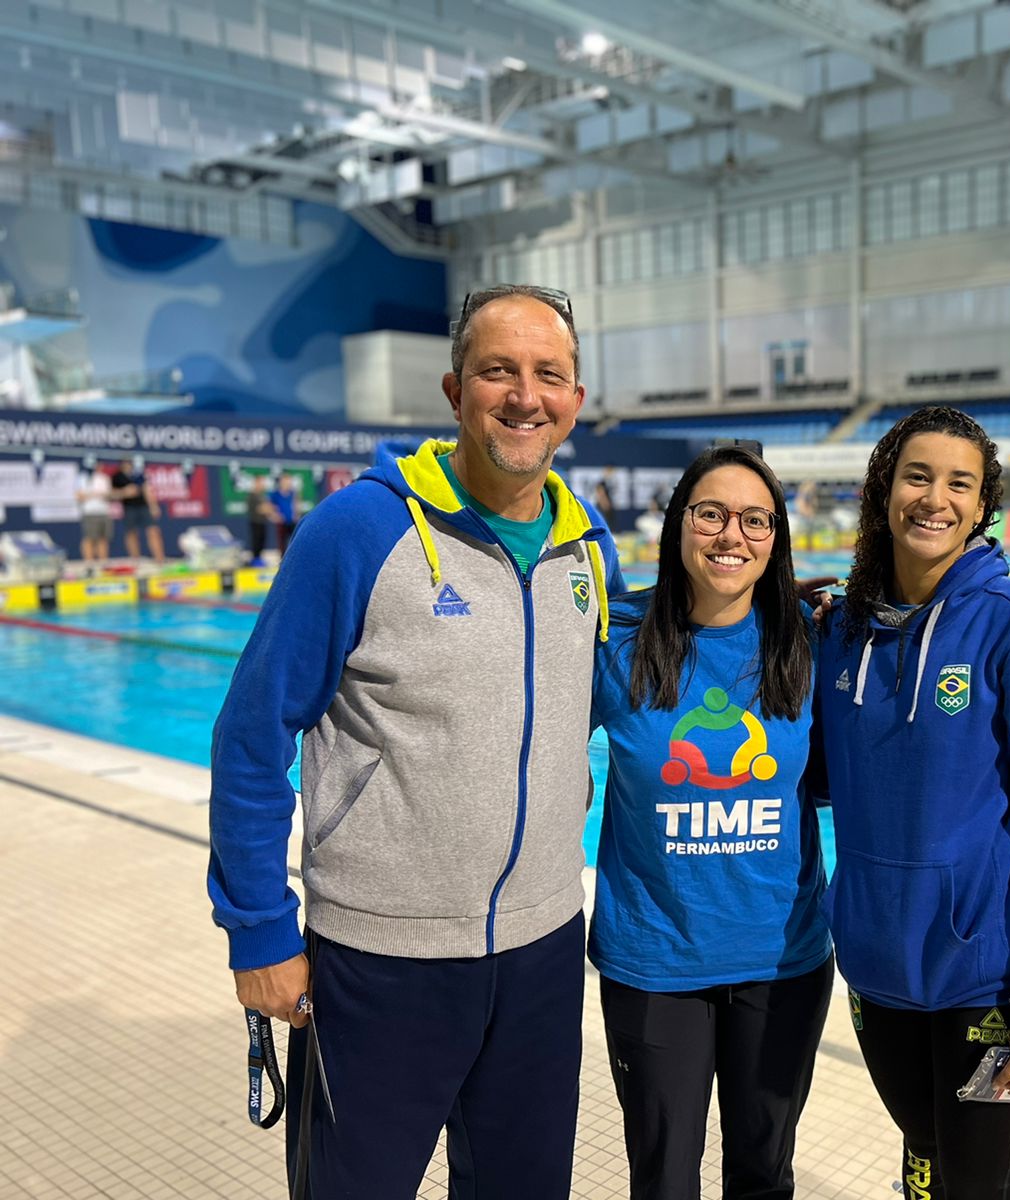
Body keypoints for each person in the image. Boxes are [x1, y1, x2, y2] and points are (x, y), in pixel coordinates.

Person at [206, 284, 623, 1199]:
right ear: (454, 390)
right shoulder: (361, 531)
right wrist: (258, 931)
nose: (524, 396)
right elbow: (250, 733)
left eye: (548, 374)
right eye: (497, 371)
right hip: (378, 959)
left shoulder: (588, 549)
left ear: (576, 401)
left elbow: (627, 695)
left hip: (543, 948)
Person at [813, 406, 1010, 1200]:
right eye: (916, 476)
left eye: (958, 483)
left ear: (981, 506)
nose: (934, 498)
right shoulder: (842, 633)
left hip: (988, 984)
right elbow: (819, 778)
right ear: (883, 490)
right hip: (876, 971)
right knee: (926, 1165)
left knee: (981, 1186)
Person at [590, 443, 832, 1200]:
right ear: (678, 523)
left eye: (755, 520)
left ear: (777, 537)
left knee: (764, 1174)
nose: (732, 534)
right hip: (656, 961)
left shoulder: (809, 635)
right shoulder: (618, 640)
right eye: (712, 514)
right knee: (663, 1181)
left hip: (782, 961)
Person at [111, 457, 164, 564]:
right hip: (129, 508)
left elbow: (146, 489)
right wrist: (125, 492)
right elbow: (111, 495)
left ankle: (160, 559)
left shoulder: (138, 474)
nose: (128, 465)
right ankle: (135, 560)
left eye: (129, 463)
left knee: (153, 531)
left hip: (143, 506)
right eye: (125, 463)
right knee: (131, 534)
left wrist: (153, 506)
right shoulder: (117, 477)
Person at [75, 461, 113, 569]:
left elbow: (108, 495)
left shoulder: (105, 478)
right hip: (89, 512)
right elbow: (79, 496)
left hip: (104, 511)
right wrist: (94, 494)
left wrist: (93, 494)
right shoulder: (82, 478)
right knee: (89, 538)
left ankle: (103, 563)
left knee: (103, 538)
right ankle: (89, 564)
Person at [246, 474, 275, 565]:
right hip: (255, 522)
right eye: (260, 482)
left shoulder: (262, 496)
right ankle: (255, 559)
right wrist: (267, 509)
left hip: (262, 522)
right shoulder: (252, 496)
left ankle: (259, 558)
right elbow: (260, 509)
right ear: (256, 483)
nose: (262, 485)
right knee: (256, 541)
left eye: (263, 483)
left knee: (262, 540)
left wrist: (268, 508)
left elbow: (269, 508)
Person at [268, 473, 298, 551]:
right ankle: (283, 559)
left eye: (289, 482)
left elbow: (295, 504)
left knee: (294, 541)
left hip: (291, 521)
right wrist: (275, 516)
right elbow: (270, 507)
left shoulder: (292, 493)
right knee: (282, 543)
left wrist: (296, 515)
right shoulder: (275, 494)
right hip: (281, 522)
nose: (288, 484)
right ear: (281, 483)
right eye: (285, 482)